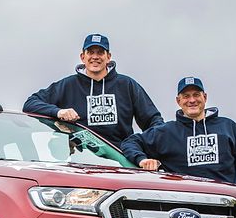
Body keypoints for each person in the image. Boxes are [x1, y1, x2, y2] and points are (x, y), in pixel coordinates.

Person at [120, 77, 236, 198]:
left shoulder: (228, 127)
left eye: (196, 95)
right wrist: (142, 160)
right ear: (178, 101)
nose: (192, 100)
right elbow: (130, 142)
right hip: (185, 207)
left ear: (205, 97)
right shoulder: (167, 132)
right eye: (186, 96)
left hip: (228, 206)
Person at [23, 33, 163, 149]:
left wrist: (141, 147)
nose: (95, 57)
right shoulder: (68, 85)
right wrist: (59, 112)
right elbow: (30, 104)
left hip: (121, 161)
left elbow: (154, 121)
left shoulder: (127, 85)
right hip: (83, 161)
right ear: (82, 57)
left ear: (108, 57)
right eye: (90, 52)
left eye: (100, 52)